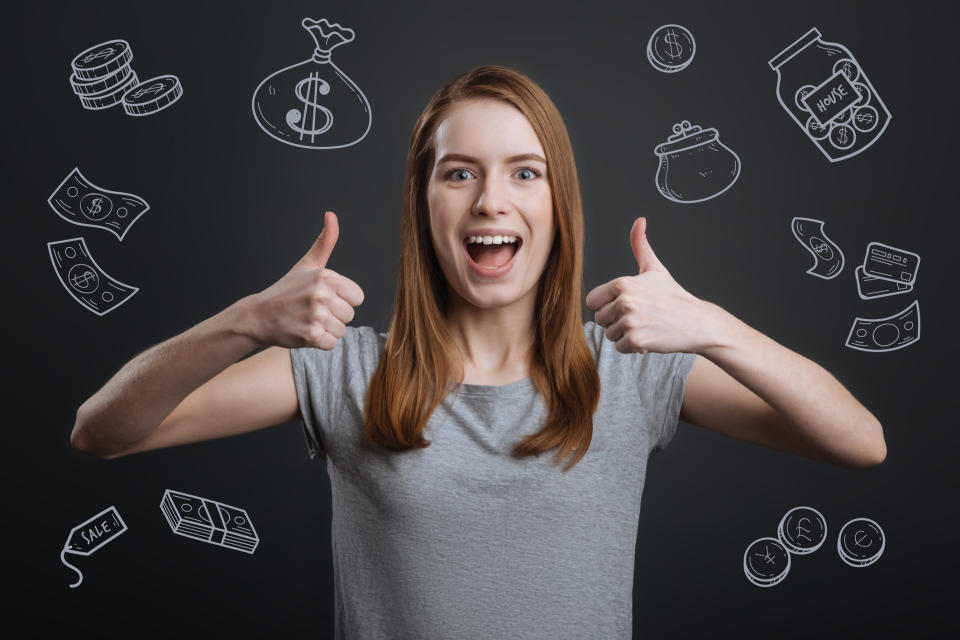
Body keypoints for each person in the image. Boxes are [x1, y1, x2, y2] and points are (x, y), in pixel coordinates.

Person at [71, 65, 885, 638]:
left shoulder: (632, 369)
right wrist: (246, 320)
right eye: (459, 174)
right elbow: (102, 430)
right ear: (424, 206)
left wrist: (711, 325)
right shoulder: (346, 370)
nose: (492, 199)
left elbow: (859, 442)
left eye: (524, 173)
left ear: (558, 205)